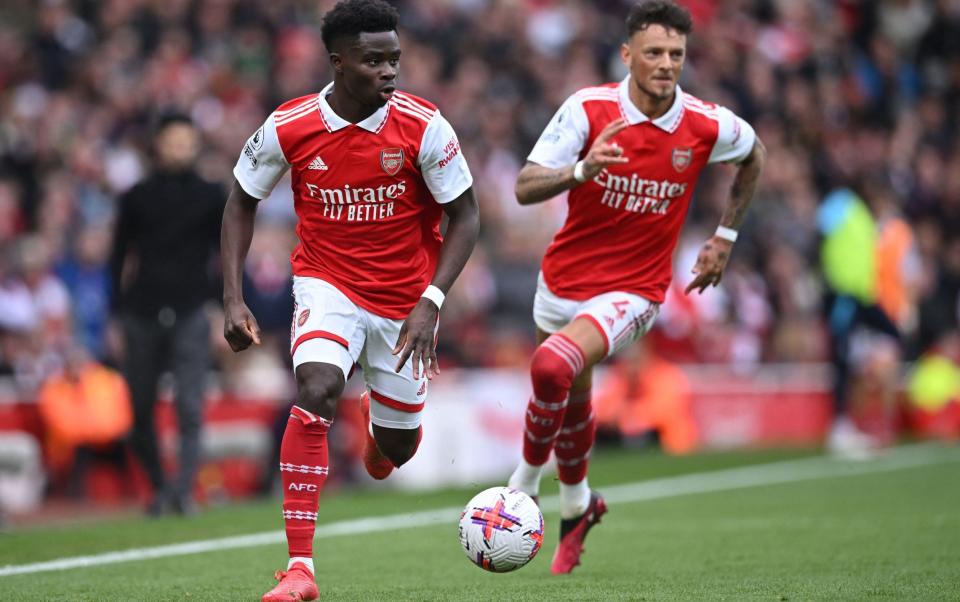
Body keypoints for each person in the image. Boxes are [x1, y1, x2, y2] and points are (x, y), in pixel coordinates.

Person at [221, 1, 479, 600]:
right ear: (338, 63)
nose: (390, 71)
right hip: (326, 282)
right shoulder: (290, 125)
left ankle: (380, 431)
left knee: (398, 448)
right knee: (314, 389)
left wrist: (433, 300)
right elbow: (240, 199)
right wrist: (233, 299)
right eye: (374, 61)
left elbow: (465, 216)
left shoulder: (424, 125)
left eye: (394, 58)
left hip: (407, 301)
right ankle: (300, 569)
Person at [505, 0, 765, 575]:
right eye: (653, 52)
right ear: (628, 55)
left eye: (676, 53)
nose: (666, 63)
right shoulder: (589, 109)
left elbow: (754, 156)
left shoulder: (705, 123)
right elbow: (524, 186)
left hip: (636, 287)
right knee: (573, 398)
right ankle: (577, 506)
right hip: (564, 278)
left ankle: (519, 491)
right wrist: (580, 170)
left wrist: (724, 237)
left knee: (552, 367)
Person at [109, 114, 224, 516]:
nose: (180, 149)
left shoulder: (212, 196)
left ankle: (184, 490)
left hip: (192, 310)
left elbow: (224, 255)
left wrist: (221, 307)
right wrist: (115, 314)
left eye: (187, 142)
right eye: (173, 141)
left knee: (190, 406)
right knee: (140, 406)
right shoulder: (135, 196)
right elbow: (118, 255)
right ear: (157, 144)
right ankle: (158, 485)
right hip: (141, 311)